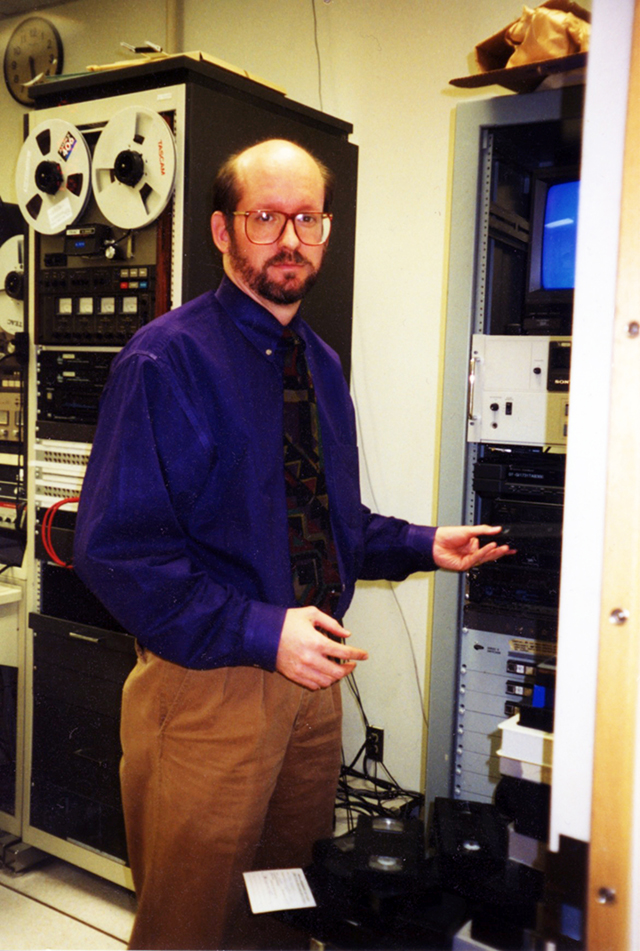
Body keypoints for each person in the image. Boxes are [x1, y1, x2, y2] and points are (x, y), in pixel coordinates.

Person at [73, 138, 512, 951]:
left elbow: (327, 519)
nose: (288, 237)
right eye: (265, 216)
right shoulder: (166, 361)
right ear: (221, 230)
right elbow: (115, 550)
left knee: (283, 909)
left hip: (312, 689)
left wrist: (424, 543)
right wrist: (264, 630)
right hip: (208, 686)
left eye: (306, 218)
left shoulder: (318, 361)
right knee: (191, 922)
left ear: (326, 230)